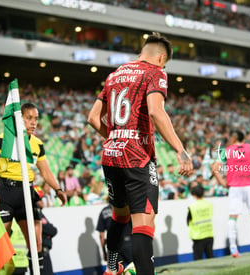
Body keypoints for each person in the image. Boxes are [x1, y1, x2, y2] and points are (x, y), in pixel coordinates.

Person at [88, 32, 193, 275]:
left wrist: (115, 137)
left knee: (120, 215)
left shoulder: (114, 75)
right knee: (144, 224)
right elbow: (156, 112)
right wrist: (181, 150)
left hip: (112, 155)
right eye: (164, 64)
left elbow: (93, 118)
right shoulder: (155, 72)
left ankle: (112, 268)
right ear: (161, 58)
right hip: (137, 157)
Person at [0, 103, 67, 274]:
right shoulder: (3, 139)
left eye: (36, 119)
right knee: (1, 247)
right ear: (19, 120)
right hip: (4, 193)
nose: (34, 123)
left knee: (36, 245)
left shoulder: (37, 143)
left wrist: (58, 189)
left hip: (27, 194)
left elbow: (45, 170)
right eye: (29, 118)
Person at [213, 130, 250, 257]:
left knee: (233, 216)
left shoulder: (226, 151)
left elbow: (215, 168)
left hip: (234, 186)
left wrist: (222, 182)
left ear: (233, 138)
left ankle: (233, 248)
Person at [187, 185, 214, 260]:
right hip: (209, 233)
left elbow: (188, 221)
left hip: (198, 236)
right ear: (203, 193)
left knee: (198, 259)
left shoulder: (192, 206)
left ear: (194, 195)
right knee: (210, 257)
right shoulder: (209, 204)